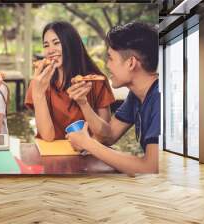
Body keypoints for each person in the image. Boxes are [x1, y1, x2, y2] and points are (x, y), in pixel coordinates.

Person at [66, 22, 160, 175]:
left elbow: (150, 168)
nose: (107, 65)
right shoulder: (136, 96)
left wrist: (88, 144)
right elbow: (108, 136)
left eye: (110, 58)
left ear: (131, 63)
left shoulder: (159, 100)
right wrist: (83, 103)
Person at [25, 21, 115, 141]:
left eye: (56, 43)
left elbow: (105, 136)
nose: (50, 50)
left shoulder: (96, 81)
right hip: (50, 153)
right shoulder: (38, 83)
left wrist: (83, 103)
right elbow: (47, 136)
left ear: (71, 44)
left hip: (88, 153)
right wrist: (38, 93)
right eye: (46, 45)